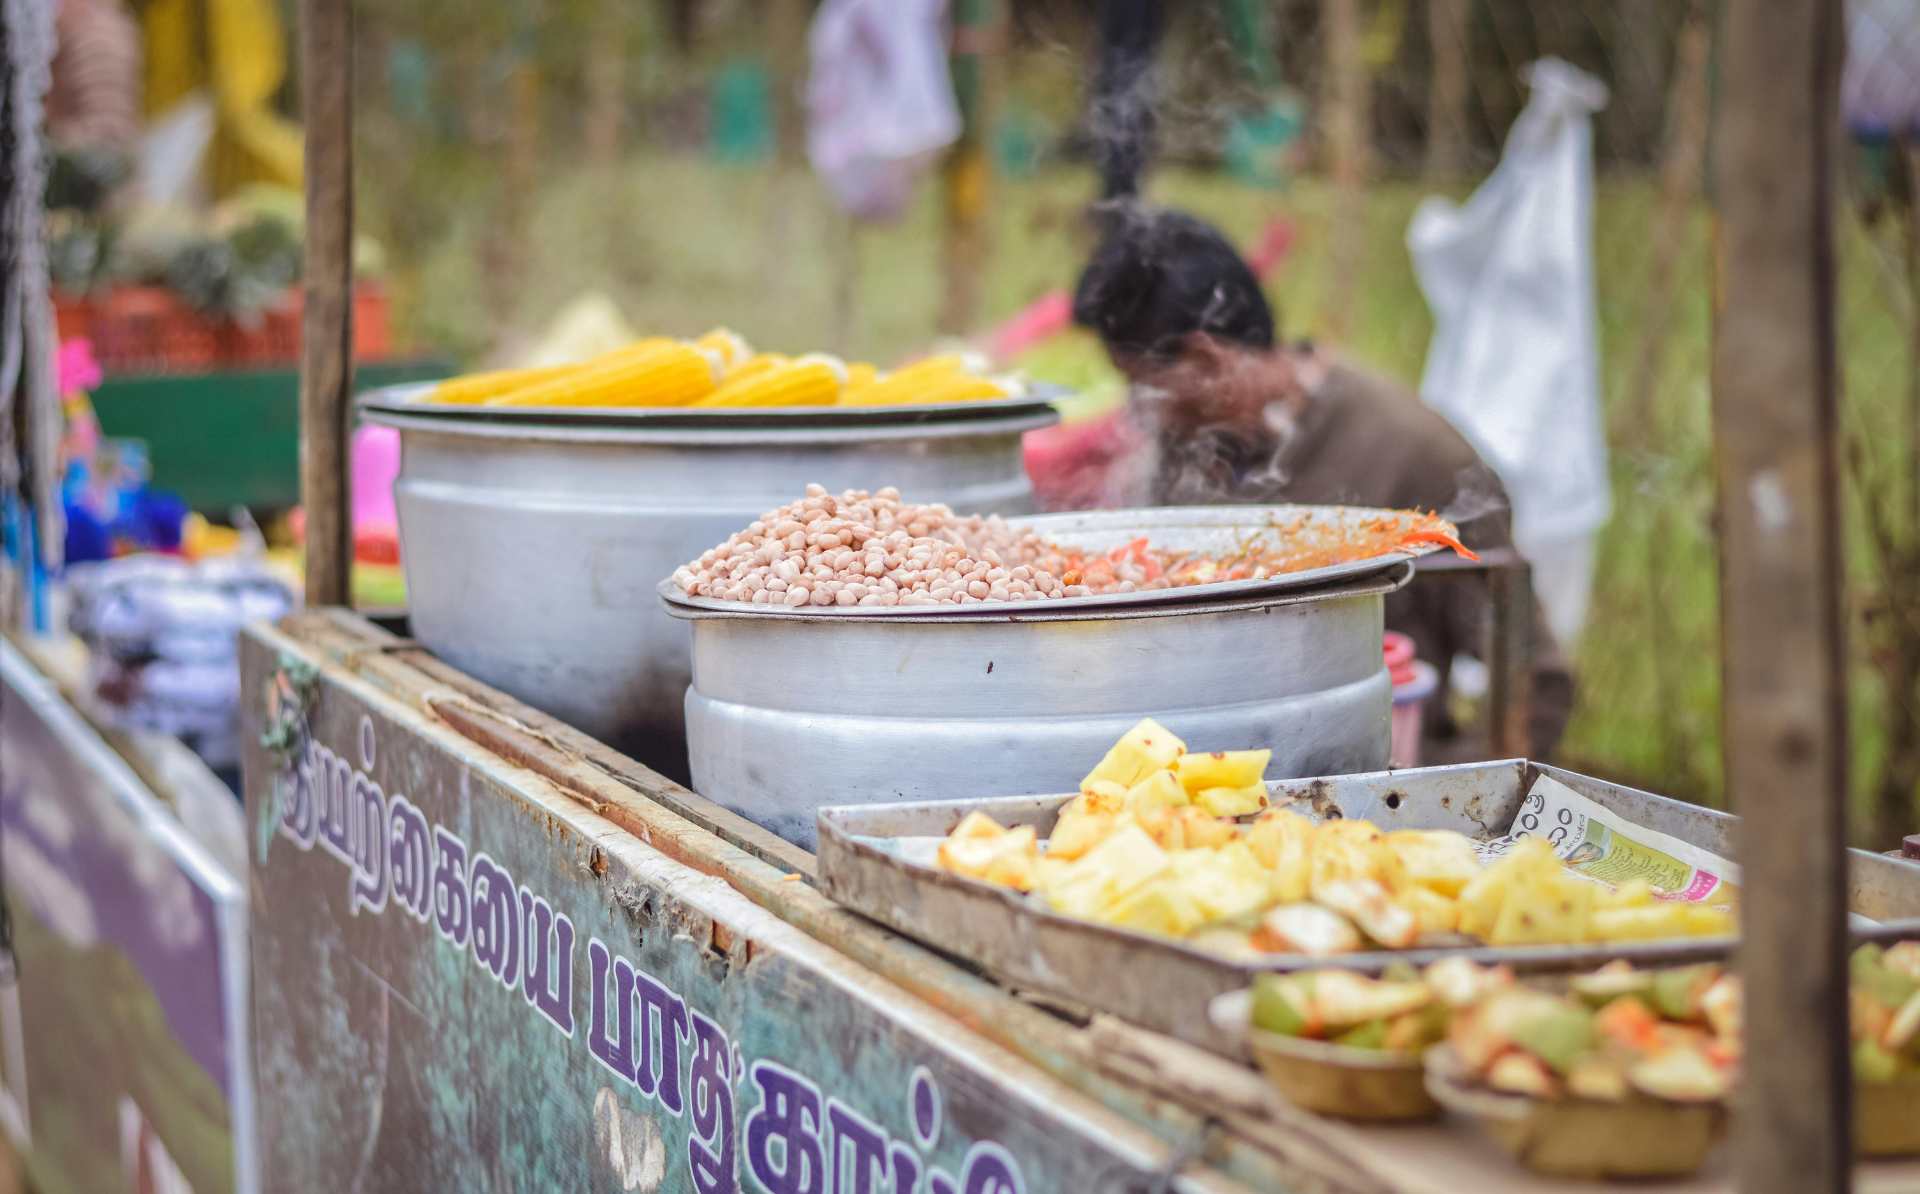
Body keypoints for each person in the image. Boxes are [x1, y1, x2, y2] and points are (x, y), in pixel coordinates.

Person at [1071, 203, 1574, 760]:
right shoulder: (1185, 448)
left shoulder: (1416, 455)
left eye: (1145, 385)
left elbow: (1535, 683)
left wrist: (1446, 792)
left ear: (1205, 358)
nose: (1140, 409)